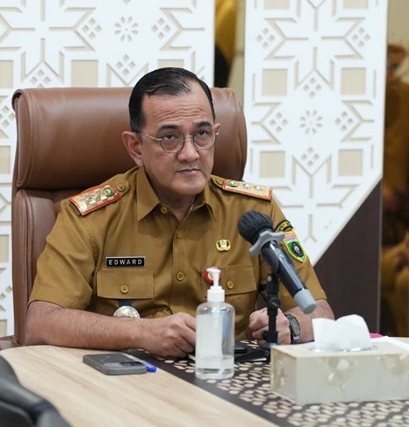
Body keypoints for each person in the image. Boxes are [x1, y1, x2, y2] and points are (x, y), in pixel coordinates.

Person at [25, 67, 334, 357]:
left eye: (202, 134)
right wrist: (139, 333)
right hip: (127, 382)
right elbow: (41, 324)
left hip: (226, 380)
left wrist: (291, 326)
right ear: (135, 147)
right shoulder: (90, 218)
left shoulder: (254, 213)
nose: (190, 153)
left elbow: (318, 311)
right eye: (169, 138)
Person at [380, 44, 409, 336]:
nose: (391, 76)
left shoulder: (403, 97)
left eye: (393, 68)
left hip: (400, 234)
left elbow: (392, 196)